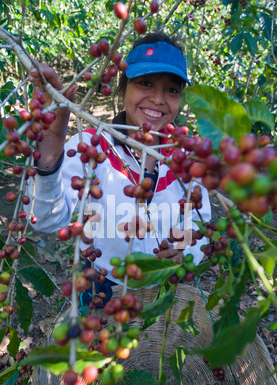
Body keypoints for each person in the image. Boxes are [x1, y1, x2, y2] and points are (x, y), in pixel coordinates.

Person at [27, 31, 211, 306]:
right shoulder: (91, 147)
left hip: (165, 294)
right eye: (145, 83)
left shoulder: (184, 160)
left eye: (172, 90)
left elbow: (199, 226)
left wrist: (186, 254)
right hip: (103, 291)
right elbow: (45, 219)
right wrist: (49, 162)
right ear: (123, 88)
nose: (159, 99)